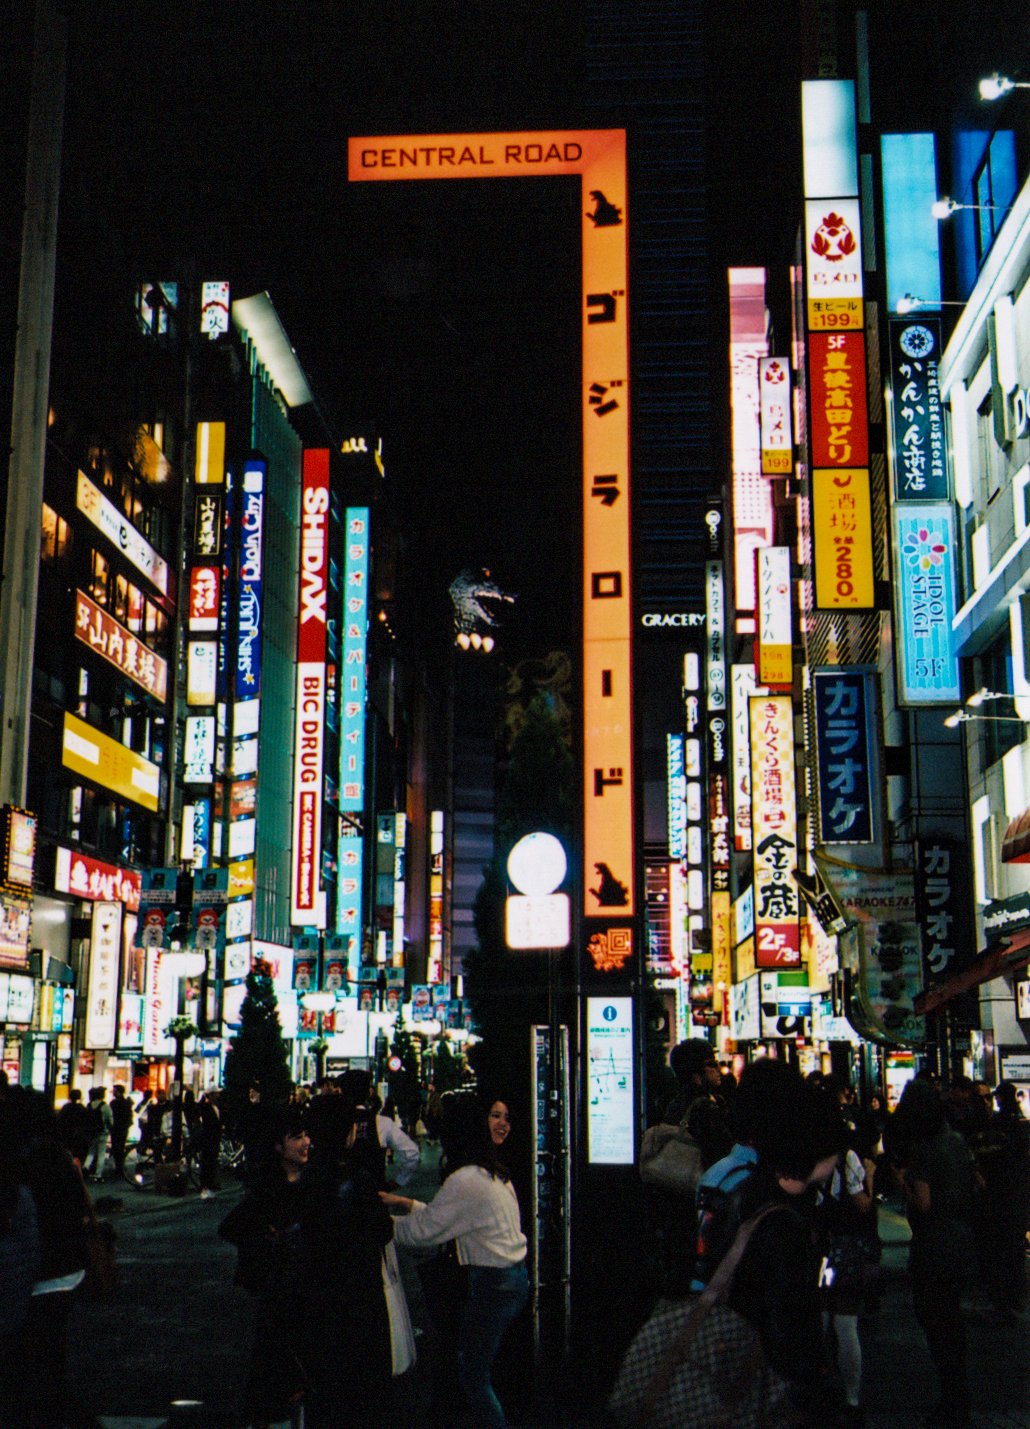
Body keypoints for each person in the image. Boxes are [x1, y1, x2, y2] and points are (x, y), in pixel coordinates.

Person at [382, 1091, 528, 1429]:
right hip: (510, 1279)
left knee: (473, 1374)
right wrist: (407, 1204)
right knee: (478, 1369)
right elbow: (449, 1219)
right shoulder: (491, 1172)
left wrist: (379, 1224)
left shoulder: (466, 1180)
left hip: (494, 1284)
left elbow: (425, 1232)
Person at [884, 1076, 977, 1427]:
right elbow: (976, 1183)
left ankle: (952, 1401)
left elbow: (923, 1203)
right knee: (952, 1322)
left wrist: (900, 1182)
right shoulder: (956, 1142)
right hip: (961, 1237)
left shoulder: (923, 1151)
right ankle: (959, 1398)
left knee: (937, 1322)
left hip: (934, 1243)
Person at [219, 1105, 314, 1427]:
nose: (305, 1143)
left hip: (304, 1285)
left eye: (306, 1136)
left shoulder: (313, 1182)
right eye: (296, 1137)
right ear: (278, 1146)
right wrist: (267, 1237)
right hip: (278, 1285)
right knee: (276, 1358)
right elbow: (231, 1227)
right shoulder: (267, 1189)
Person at [977, 1081, 1030, 1323]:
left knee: (998, 1252)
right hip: (1018, 1196)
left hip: (996, 1197)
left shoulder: (994, 1126)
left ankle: (1002, 1302)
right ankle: (1016, 1296)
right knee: (1015, 1250)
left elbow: (984, 1158)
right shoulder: (1023, 1126)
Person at [55, 1087, 92, 1166]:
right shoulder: (82, 1108)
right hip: (79, 1135)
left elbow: (60, 1120)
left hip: (67, 1134)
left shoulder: (66, 1107)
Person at [196, 1090, 222, 1198]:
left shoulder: (216, 1108)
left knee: (211, 1164)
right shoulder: (206, 1107)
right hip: (208, 1140)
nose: (218, 1095)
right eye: (216, 1094)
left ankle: (210, 1186)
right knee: (207, 1164)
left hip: (214, 1140)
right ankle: (205, 1187)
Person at [84, 1085, 113, 1181]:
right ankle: (98, 1174)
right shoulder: (105, 1106)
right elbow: (110, 1120)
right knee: (101, 1153)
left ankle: (86, 1167)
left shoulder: (89, 1105)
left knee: (91, 1152)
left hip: (92, 1132)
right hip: (103, 1132)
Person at [109, 1083, 133, 1177]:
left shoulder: (114, 1103)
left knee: (117, 1147)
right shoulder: (126, 1102)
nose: (113, 1093)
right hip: (122, 1128)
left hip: (117, 1128)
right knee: (119, 1147)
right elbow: (129, 1116)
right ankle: (120, 1167)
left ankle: (119, 1168)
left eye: (115, 1091)